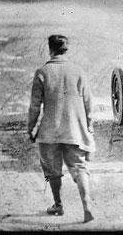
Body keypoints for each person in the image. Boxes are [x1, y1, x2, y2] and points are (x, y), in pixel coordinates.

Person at [28, 35, 95, 223]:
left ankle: (58, 204)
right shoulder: (79, 71)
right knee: (80, 168)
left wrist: (31, 129)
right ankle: (87, 206)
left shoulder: (42, 72)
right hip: (75, 131)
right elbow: (89, 103)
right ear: (67, 50)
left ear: (50, 50)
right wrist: (89, 127)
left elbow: (35, 106)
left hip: (49, 133)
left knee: (53, 171)